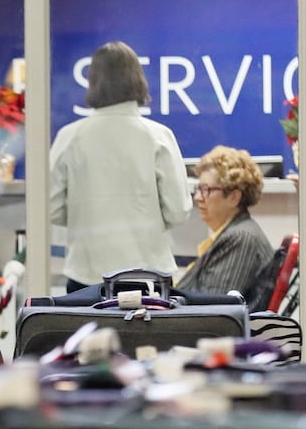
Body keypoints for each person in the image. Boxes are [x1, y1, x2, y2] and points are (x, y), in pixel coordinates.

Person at [49, 41, 192, 292]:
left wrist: (86, 218)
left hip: (85, 275)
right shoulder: (158, 136)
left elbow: (49, 207)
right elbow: (178, 210)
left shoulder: (69, 137)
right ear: (138, 79)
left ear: (92, 81)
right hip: (150, 276)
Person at [173, 145, 276, 307]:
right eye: (198, 189)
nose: (198, 197)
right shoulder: (235, 233)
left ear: (234, 197)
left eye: (206, 189)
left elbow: (213, 312)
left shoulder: (241, 238)